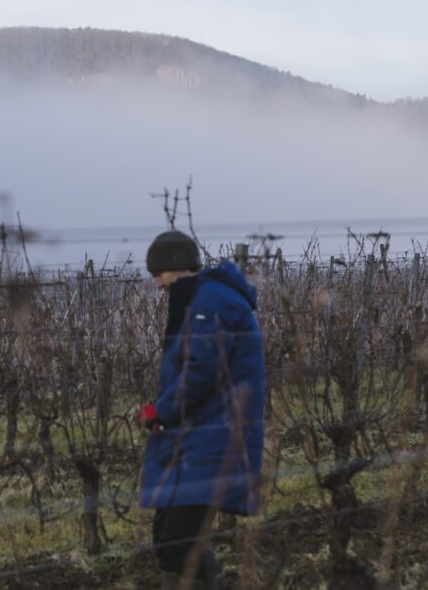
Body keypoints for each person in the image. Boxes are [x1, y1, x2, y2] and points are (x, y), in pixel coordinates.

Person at [139, 230, 266, 590]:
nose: (156, 283)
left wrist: (160, 411)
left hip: (215, 436)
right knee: (169, 541)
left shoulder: (211, 303)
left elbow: (199, 372)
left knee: (178, 544)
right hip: (201, 436)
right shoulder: (204, 300)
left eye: (158, 273)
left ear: (176, 268)